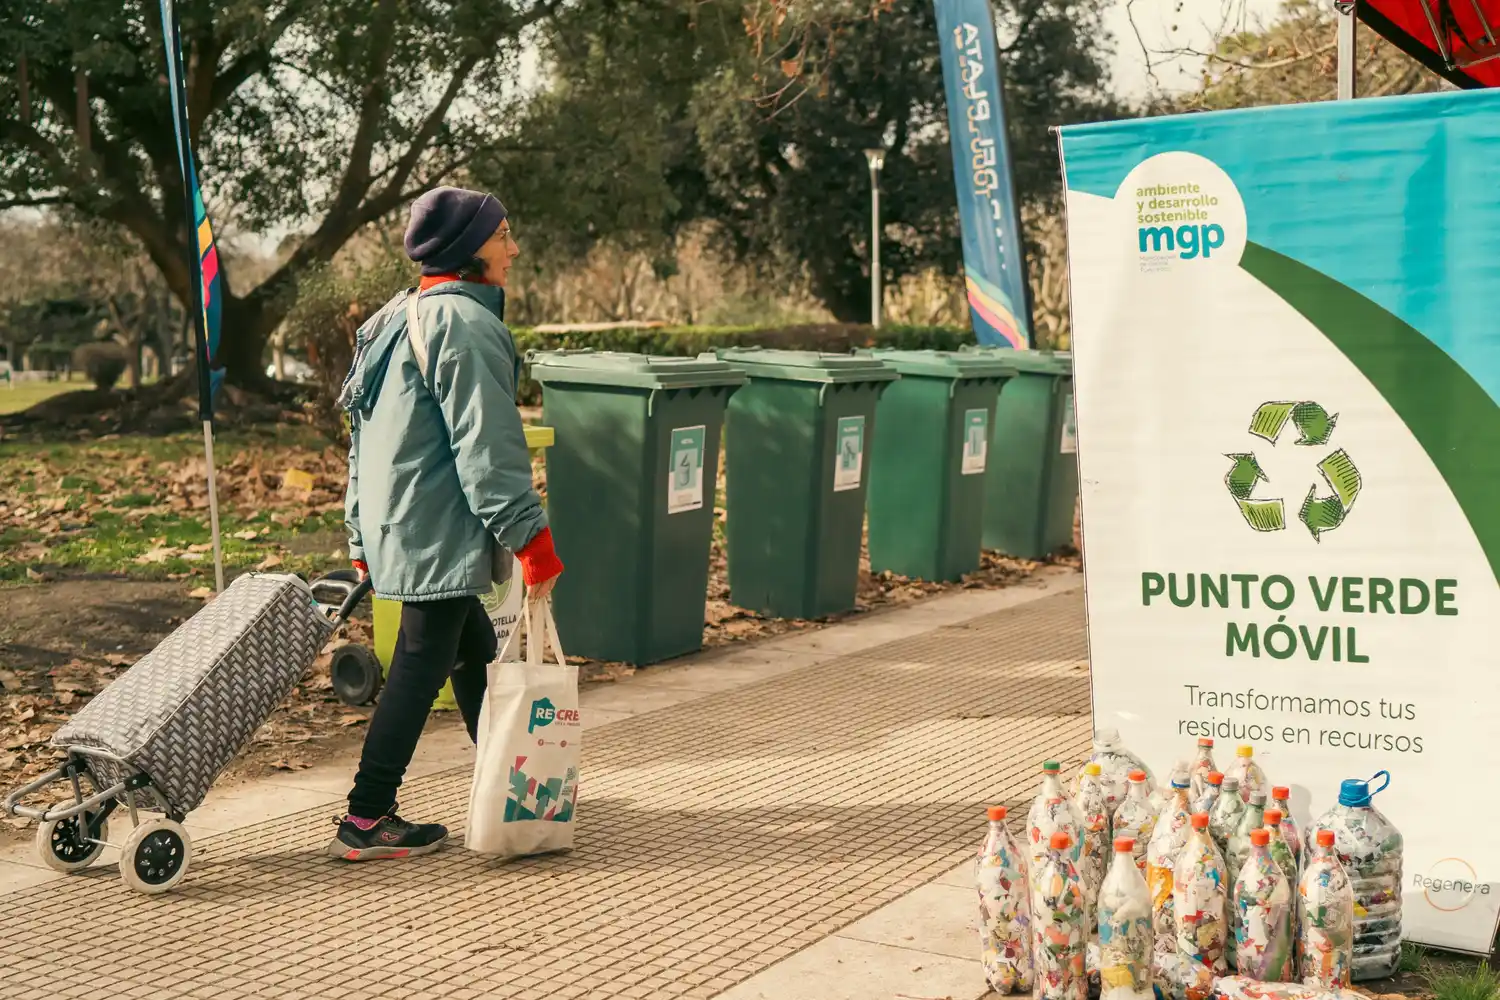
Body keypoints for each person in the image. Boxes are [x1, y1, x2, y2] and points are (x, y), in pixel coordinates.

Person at [329, 186, 563, 861]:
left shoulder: (392, 319)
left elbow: (362, 444)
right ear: (469, 251)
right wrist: (531, 538)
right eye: (502, 237)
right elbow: (487, 448)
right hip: (437, 528)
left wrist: (359, 534)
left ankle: (515, 785)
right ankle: (367, 816)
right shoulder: (464, 325)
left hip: (402, 526)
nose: (513, 249)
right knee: (423, 659)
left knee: (475, 656)